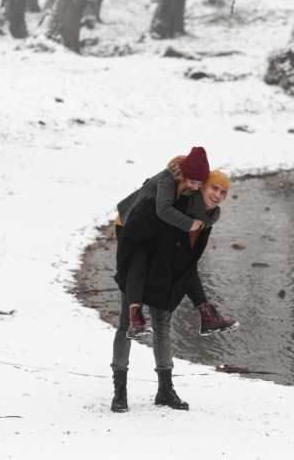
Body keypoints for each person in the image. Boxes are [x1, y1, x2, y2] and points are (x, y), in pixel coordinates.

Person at [110, 171, 237, 412]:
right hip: (138, 260)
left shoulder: (207, 219)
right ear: (201, 188)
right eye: (214, 189)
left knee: (162, 324)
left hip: (163, 269)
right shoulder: (175, 208)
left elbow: (188, 263)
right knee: (127, 322)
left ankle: (165, 391)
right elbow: (139, 236)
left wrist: (203, 305)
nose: (218, 195)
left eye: (223, 192)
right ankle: (120, 392)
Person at [114, 146, 215, 339]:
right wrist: (190, 224)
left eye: (199, 184)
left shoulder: (191, 184)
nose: (195, 187)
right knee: (139, 262)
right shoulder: (167, 179)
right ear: (184, 174)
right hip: (130, 222)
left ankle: (207, 314)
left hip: (153, 226)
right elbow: (164, 210)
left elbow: (201, 213)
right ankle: (135, 319)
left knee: (181, 261)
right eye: (192, 182)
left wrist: (204, 223)